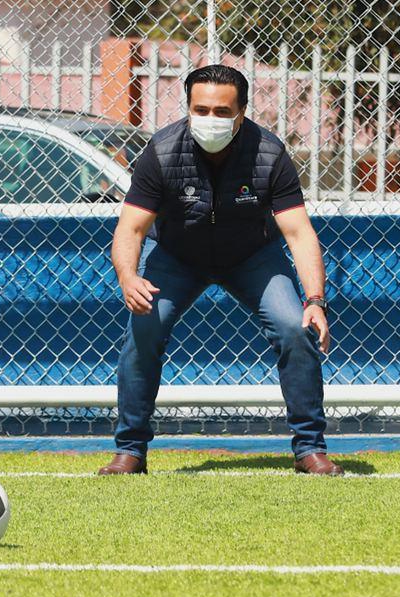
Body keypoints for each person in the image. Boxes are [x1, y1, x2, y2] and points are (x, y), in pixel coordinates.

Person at [101, 64, 341, 476]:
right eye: (201, 109)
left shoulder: (269, 154)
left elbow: (299, 232)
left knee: (294, 327)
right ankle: (130, 451)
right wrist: (128, 275)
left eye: (221, 111)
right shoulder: (161, 151)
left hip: (252, 257)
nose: (209, 119)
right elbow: (131, 226)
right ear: (189, 107)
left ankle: (309, 449)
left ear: (242, 113)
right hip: (177, 257)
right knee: (144, 329)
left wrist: (315, 300)